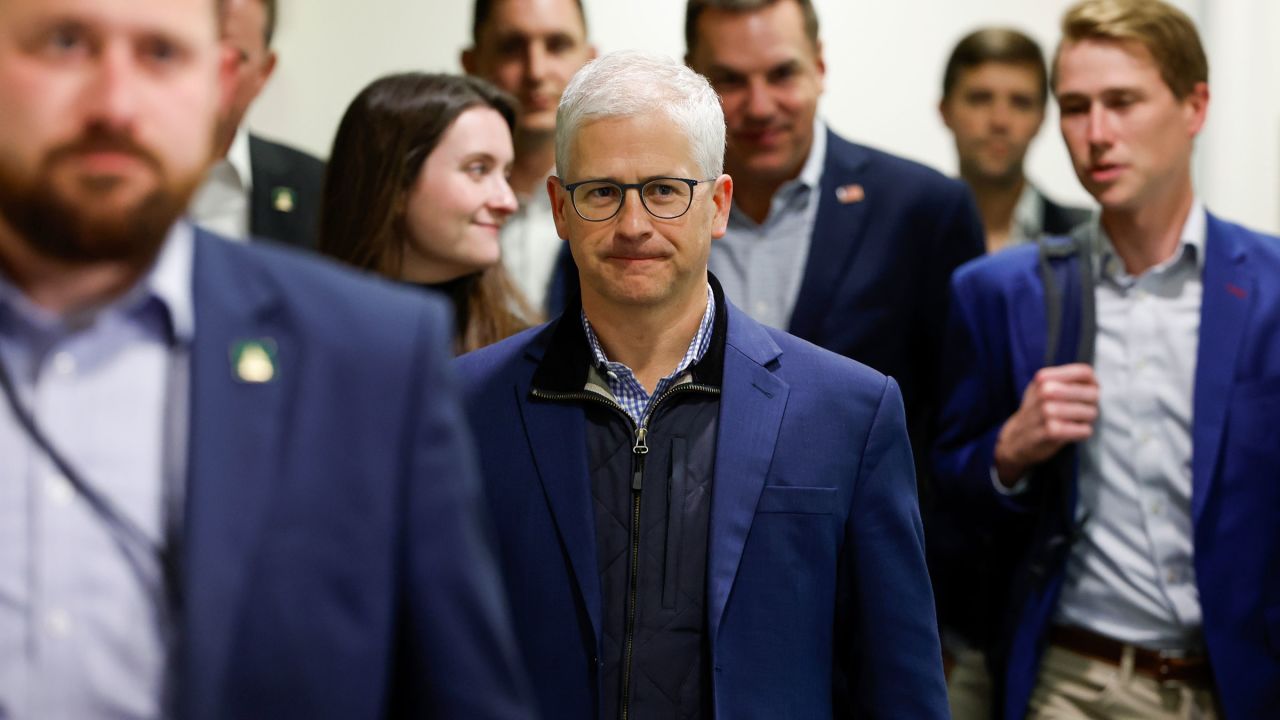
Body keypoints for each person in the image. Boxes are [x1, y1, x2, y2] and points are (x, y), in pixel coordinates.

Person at [0, 0, 534, 717]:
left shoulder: (367, 360)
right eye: (65, 44)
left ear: (222, 80)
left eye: (161, 54)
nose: (115, 104)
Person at [456, 49, 948, 719]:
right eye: (601, 192)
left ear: (717, 204)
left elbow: (900, 688)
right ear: (559, 208)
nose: (633, 226)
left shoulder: (847, 414)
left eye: (664, 190)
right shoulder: (463, 407)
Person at [933, 1, 1280, 718]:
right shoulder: (1000, 292)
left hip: (1242, 679)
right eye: (1077, 106)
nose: (1096, 134)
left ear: (1194, 106)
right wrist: (1009, 450)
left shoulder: (1272, 288)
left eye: (1122, 103)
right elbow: (945, 489)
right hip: (1074, 678)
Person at [683, 0, 985, 479]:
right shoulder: (654, 215)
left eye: (782, 73)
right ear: (692, 83)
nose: (760, 107)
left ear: (819, 66)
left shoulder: (923, 210)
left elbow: (962, 423)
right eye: (731, 80)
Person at [318, 73, 536, 354]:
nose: (508, 202)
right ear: (396, 185)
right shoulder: (297, 339)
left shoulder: (522, 357)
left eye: (506, 174)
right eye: (478, 169)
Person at [462, 0, 595, 313]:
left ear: (590, 61)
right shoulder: (430, 206)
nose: (535, 71)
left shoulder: (630, 203)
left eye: (557, 45)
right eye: (510, 47)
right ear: (471, 63)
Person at [940, 27, 1092, 253]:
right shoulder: (903, 234)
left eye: (1021, 103)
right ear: (946, 111)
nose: (1000, 121)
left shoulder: (1089, 239)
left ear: (1041, 118)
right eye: (980, 99)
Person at [189, 0, 326, 248]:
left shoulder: (321, 190)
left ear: (264, 72)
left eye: (231, 56)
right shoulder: (105, 170)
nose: (205, 71)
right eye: (183, 50)